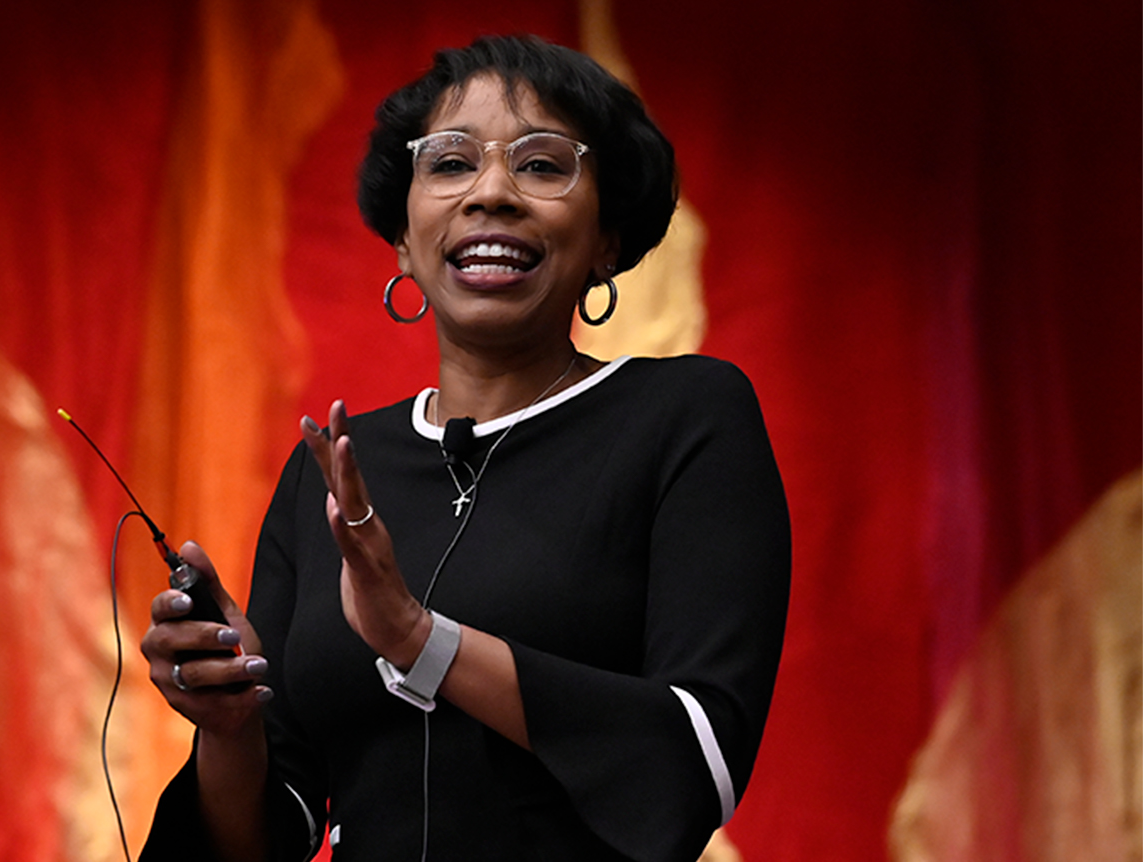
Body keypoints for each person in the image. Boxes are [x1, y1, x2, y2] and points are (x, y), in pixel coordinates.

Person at [138, 34, 790, 862]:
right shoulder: (334, 472)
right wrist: (230, 727)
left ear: (608, 241)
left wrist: (419, 639)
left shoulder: (686, 417)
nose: (491, 192)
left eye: (543, 165)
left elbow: (691, 763)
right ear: (405, 244)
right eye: (449, 163)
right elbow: (264, 837)